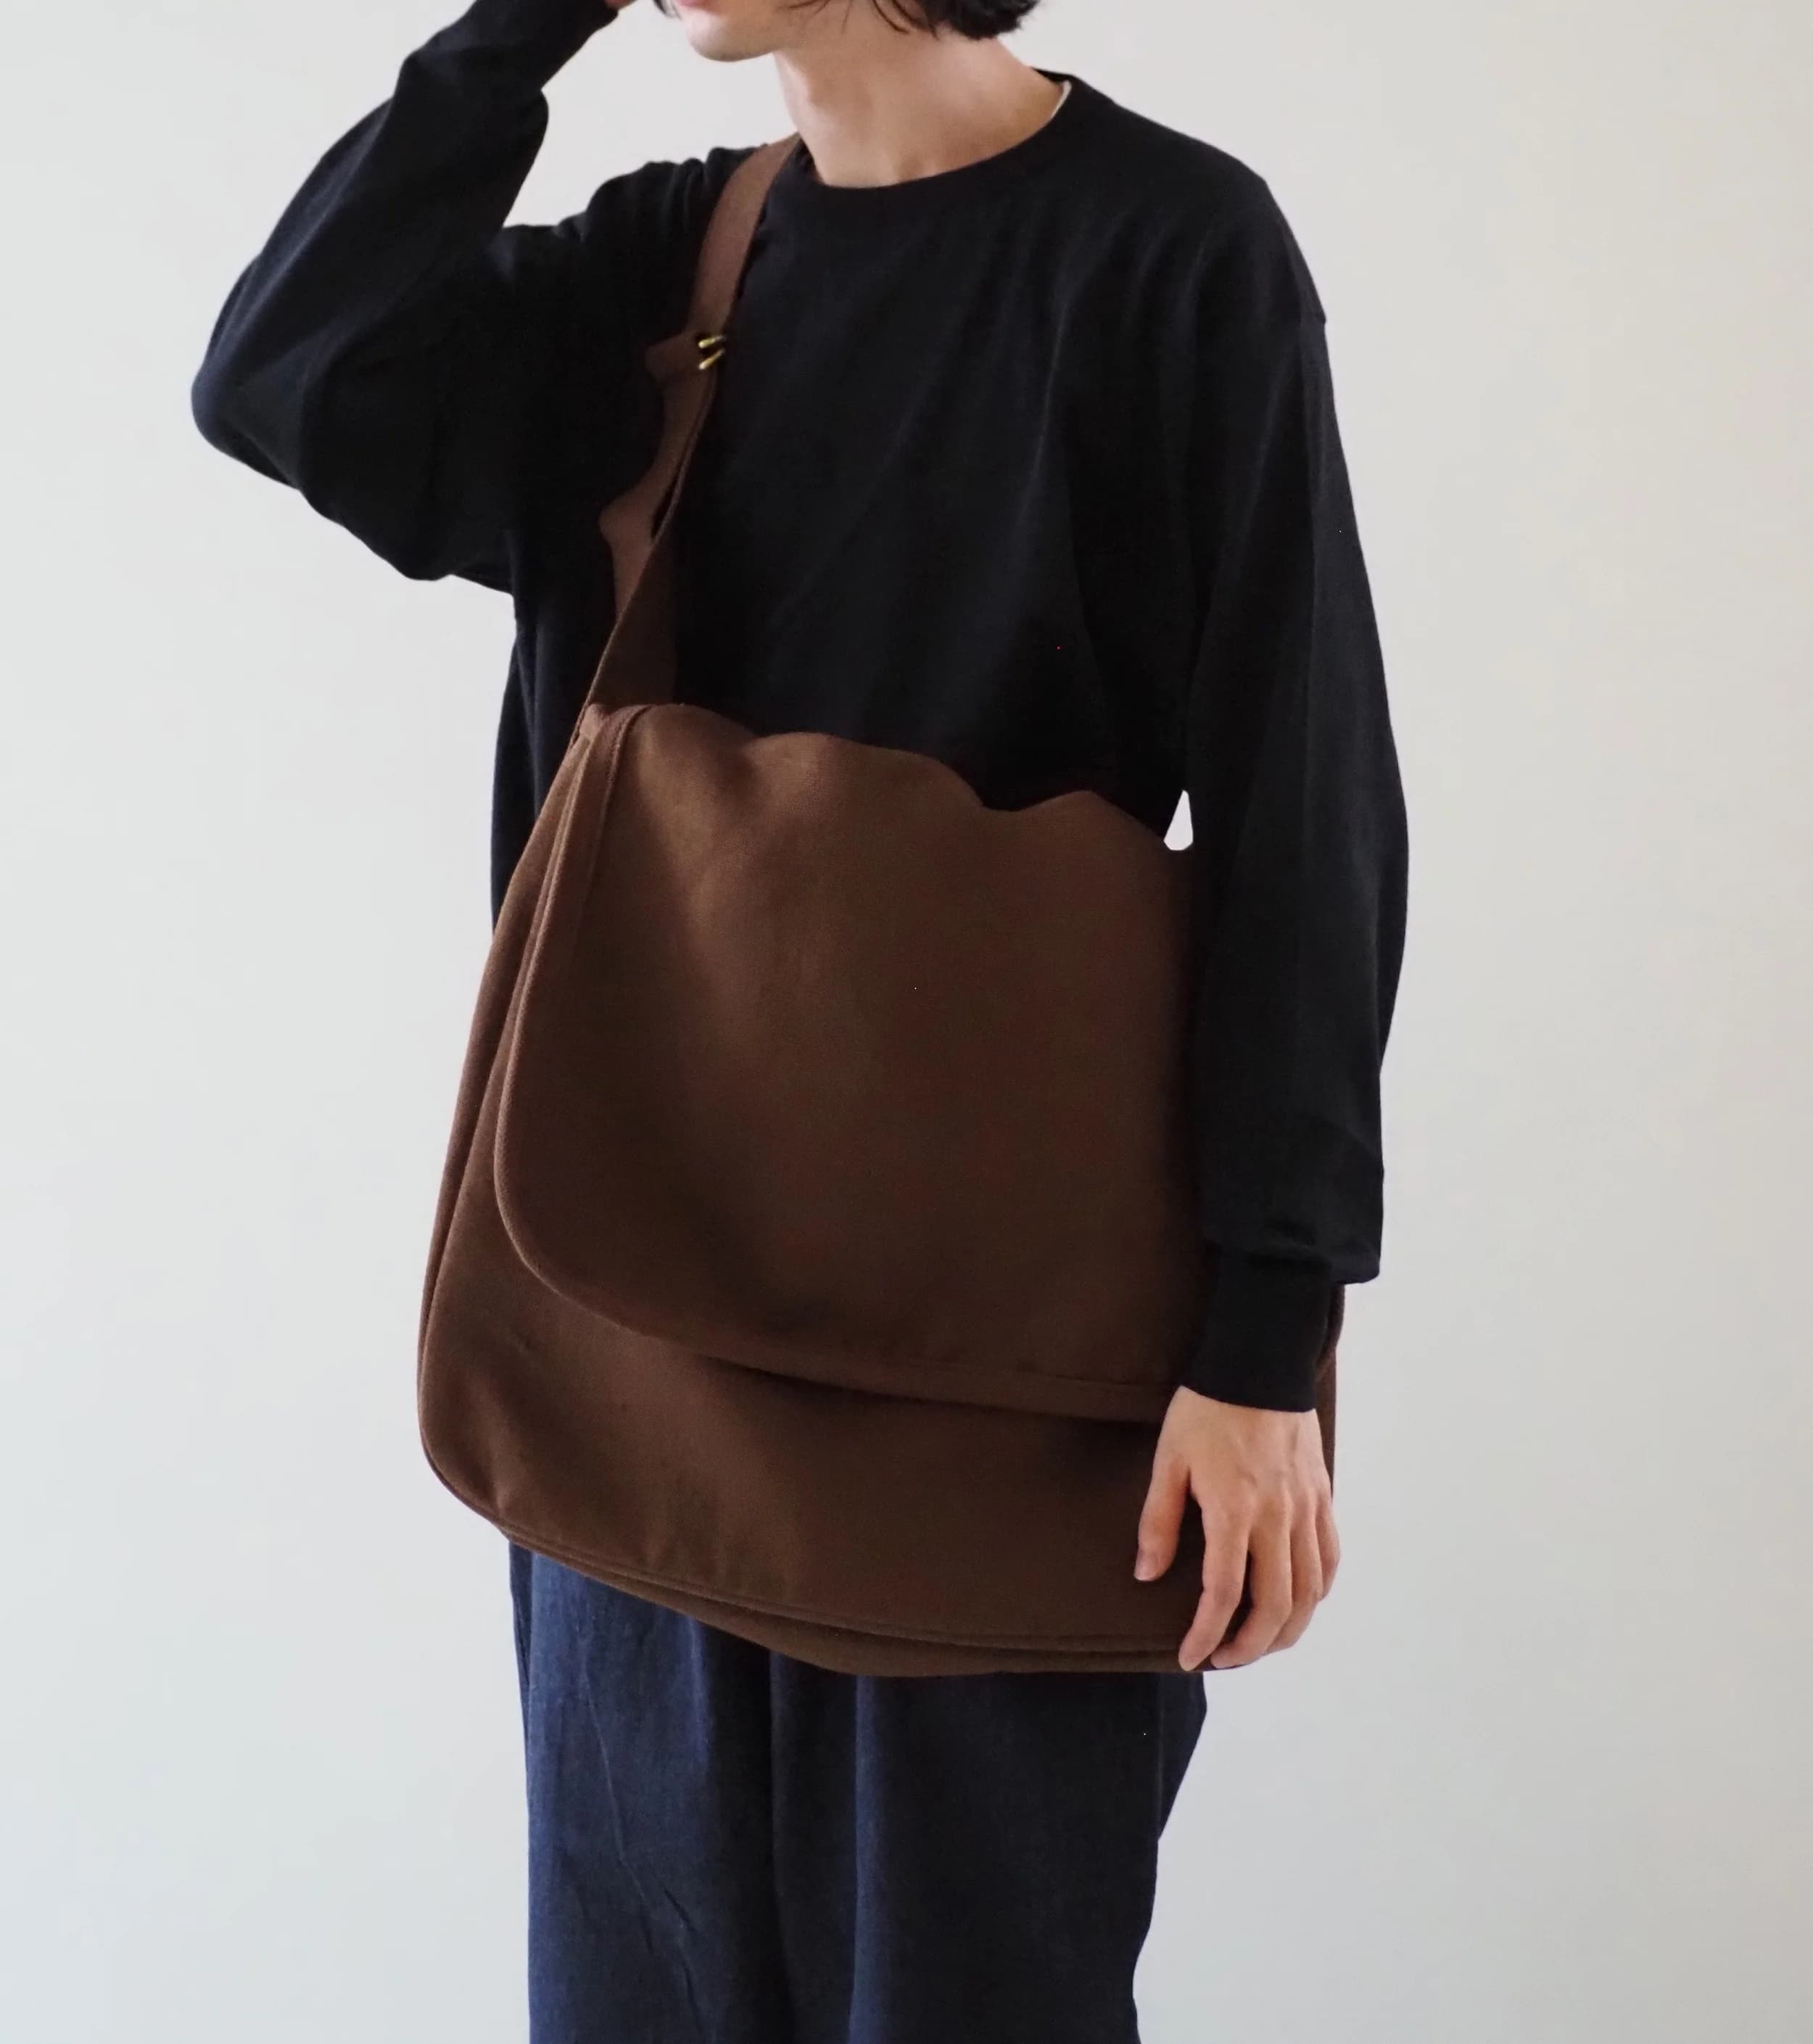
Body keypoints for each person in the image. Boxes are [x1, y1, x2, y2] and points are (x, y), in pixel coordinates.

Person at [190, 0, 1409, 2035]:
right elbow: (285, 377)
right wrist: (513, 36)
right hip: (635, 1319)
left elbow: (1308, 799)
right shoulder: (666, 264)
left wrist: (1267, 1337)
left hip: (1006, 1364)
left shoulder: (1174, 250)